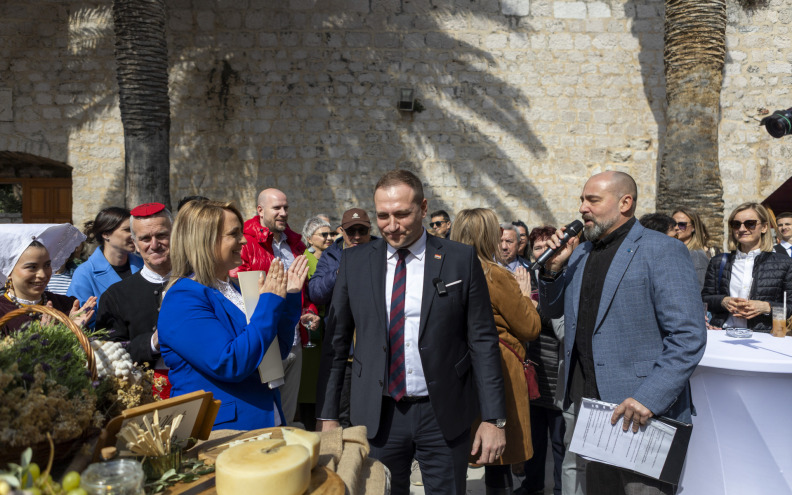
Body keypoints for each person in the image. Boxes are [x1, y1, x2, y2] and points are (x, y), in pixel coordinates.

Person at [320, 170, 507, 495]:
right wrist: (328, 416)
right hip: (378, 414)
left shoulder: (459, 260)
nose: (392, 225)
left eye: (402, 214)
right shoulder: (355, 262)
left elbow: (483, 341)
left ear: (422, 207)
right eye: (383, 216)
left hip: (443, 413)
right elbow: (335, 346)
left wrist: (494, 419)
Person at [539, 171, 706, 495]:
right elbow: (553, 312)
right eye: (582, 200)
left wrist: (649, 397)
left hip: (641, 412)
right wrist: (553, 269)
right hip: (593, 411)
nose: (583, 208)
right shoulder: (582, 253)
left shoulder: (662, 250)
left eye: (593, 200)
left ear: (625, 202)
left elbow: (688, 336)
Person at [157, 200, 308, 430]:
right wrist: (269, 302)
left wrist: (288, 298)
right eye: (234, 234)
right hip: (223, 431)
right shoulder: (183, 298)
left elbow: (274, 354)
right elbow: (229, 363)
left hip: (265, 418)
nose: (244, 240)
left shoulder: (235, 288)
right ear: (205, 240)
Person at [451, 208, 541, 495]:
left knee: (456, 452)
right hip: (497, 369)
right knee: (497, 455)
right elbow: (529, 327)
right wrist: (527, 299)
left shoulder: (444, 271)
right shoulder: (494, 275)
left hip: (456, 368)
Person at [233, 187, 320, 425]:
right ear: (260, 210)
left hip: (294, 340)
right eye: (277, 208)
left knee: (288, 415)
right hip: (264, 340)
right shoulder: (246, 243)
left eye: (286, 207)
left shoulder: (295, 244)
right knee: (265, 416)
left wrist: (308, 311)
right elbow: (238, 290)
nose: (283, 213)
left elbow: (303, 288)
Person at [95, 203, 173, 397]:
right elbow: (107, 355)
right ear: (136, 244)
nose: (154, 245)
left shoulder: (199, 282)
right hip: (143, 394)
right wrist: (151, 344)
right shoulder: (115, 296)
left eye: (162, 235)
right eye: (145, 238)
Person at [310, 208, 376, 430]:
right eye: (351, 231)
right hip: (344, 352)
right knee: (342, 412)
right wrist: (342, 271)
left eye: (362, 230)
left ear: (370, 230)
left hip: (375, 352)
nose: (356, 236)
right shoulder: (333, 255)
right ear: (341, 231)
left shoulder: (382, 252)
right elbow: (316, 292)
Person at [517, 225, 566, 495]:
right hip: (532, 372)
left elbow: (565, 328)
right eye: (538, 247)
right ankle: (532, 486)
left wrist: (534, 309)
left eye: (550, 246)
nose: (544, 252)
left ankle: (560, 490)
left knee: (559, 442)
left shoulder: (565, 278)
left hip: (556, 372)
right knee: (533, 440)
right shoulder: (526, 279)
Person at [701, 202, 792, 332]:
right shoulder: (719, 261)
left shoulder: (784, 263)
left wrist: (765, 307)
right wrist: (723, 301)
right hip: (722, 334)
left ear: (764, 227)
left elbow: (789, 305)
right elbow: (705, 298)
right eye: (736, 224)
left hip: (762, 339)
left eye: (750, 223)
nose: (742, 229)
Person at [0, 224, 96, 334]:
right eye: (32, 267)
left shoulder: (66, 305)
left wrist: (73, 330)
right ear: (9, 271)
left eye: (47, 265)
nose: (42, 274)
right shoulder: (2, 311)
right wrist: (48, 336)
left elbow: (89, 348)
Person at [68, 207, 143, 326]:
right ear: (106, 234)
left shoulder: (145, 265)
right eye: (127, 230)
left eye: (134, 230)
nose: (134, 235)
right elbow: (81, 321)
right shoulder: (85, 274)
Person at [298, 215, 333, 429]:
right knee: (310, 377)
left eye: (331, 234)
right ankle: (309, 422)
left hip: (328, 323)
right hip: (311, 325)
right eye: (324, 234)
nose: (329, 238)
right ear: (310, 239)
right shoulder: (305, 260)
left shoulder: (329, 258)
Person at [672, 208, 712, 289]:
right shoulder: (674, 250)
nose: (676, 228)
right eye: (673, 224)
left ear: (693, 227)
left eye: (682, 225)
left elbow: (701, 289)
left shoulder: (696, 255)